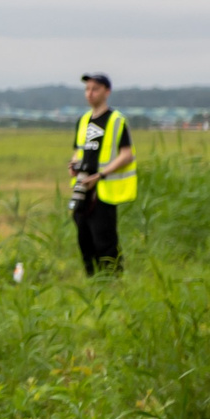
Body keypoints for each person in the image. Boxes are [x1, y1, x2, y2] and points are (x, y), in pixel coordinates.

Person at [70, 72, 137, 276]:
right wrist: (74, 163)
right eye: (87, 89)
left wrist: (100, 175)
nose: (90, 93)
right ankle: (93, 281)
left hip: (104, 189)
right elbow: (79, 150)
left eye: (95, 89)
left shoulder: (116, 120)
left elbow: (127, 155)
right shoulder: (83, 121)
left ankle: (113, 281)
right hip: (82, 188)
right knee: (84, 238)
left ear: (107, 92)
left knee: (104, 240)